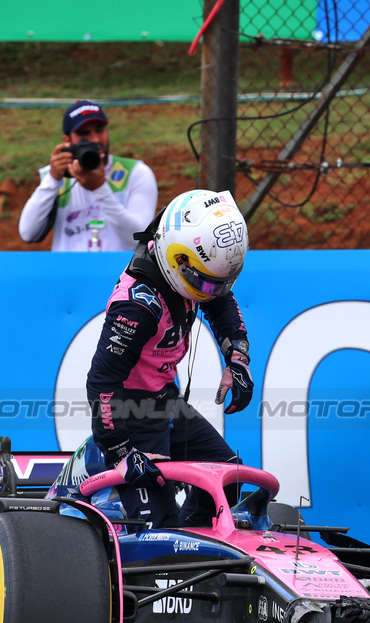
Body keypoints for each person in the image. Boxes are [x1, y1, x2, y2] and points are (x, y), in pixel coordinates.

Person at [85, 188, 253, 529]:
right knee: (158, 531)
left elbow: (220, 298)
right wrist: (122, 452)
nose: (210, 292)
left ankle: (194, 543)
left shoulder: (190, 263)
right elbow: (102, 381)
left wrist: (237, 356)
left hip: (166, 403)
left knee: (228, 478)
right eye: (205, 284)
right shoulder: (137, 307)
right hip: (131, 416)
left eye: (218, 283)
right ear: (178, 260)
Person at [18, 100, 159, 252]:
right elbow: (27, 233)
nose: (95, 140)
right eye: (84, 134)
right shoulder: (56, 176)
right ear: (67, 141)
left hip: (121, 267)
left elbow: (140, 239)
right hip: (68, 267)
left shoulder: (135, 173)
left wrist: (100, 189)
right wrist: (52, 179)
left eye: (100, 130)